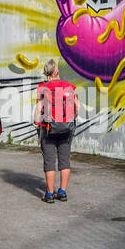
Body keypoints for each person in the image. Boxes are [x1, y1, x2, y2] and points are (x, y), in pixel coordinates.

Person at [33, 59, 78, 203]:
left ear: (46, 72)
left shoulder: (43, 87)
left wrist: (36, 122)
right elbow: (77, 107)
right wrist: (71, 118)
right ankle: (63, 192)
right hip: (66, 128)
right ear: (56, 72)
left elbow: (39, 107)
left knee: (50, 160)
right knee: (65, 160)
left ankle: (49, 194)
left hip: (48, 128)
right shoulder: (69, 86)